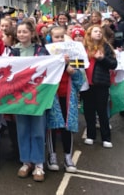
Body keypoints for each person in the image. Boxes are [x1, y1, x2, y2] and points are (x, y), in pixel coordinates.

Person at [10, 18, 49, 182]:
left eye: (25, 31)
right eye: (19, 32)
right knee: (23, 129)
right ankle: (26, 162)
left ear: (32, 33)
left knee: (38, 130)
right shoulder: (12, 52)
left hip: (37, 96)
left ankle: (39, 163)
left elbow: (48, 68)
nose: (21, 34)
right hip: (19, 97)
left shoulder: (41, 50)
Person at [46, 26, 84, 173]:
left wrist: (72, 71)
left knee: (67, 127)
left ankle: (68, 157)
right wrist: (59, 63)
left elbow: (80, 80)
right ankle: (52, 155)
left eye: (62, 36)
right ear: (51, 39)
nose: (60, 39)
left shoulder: (75, 54)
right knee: (53, 126)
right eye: (56, 37)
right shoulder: (47, 54)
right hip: (52, 96)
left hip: (68, 97)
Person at [81, 25, 117, 148]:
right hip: (86, 85)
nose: (98, 33)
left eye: (100, 32)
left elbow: (113, 64)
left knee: (102, 112)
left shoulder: (106, 47)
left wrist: (102, 58)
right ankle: (91, 136)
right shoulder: (84, 48)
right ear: (89, 34)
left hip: (101, 84)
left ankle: (106, 138)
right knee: (89, 112)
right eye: (95, 31)